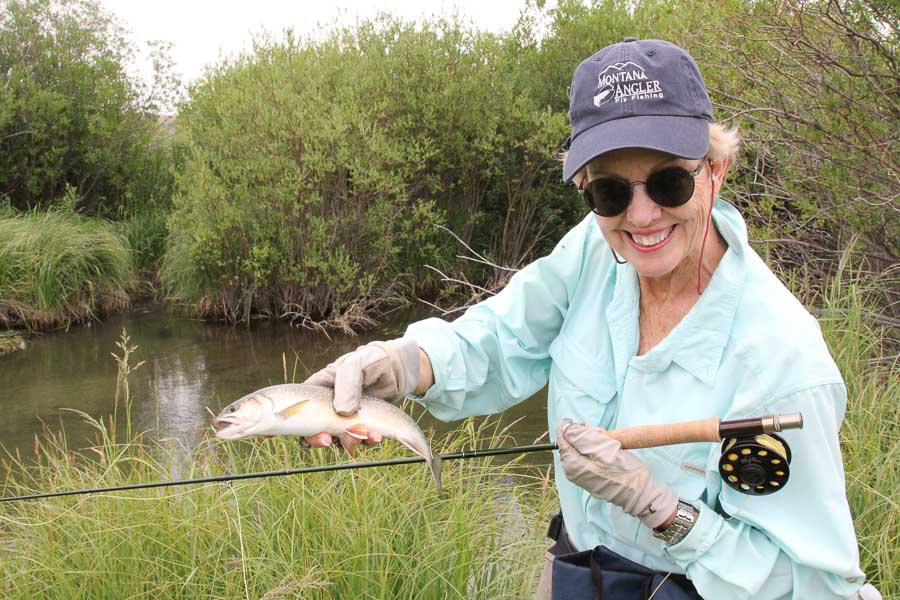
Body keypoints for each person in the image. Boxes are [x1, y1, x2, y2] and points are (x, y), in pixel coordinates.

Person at [303, 38, 869, 599]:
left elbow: (812, 585)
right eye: (610, 191)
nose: (642, 216)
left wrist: (663, 511)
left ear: (715, 172)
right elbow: (501, 339)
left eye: (670, 181)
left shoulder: (784, 359)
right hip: (578, 569)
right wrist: (402, 363)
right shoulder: (594, 250)